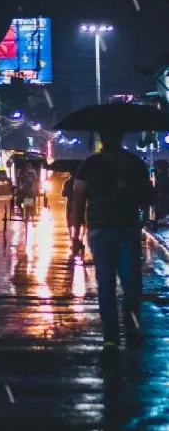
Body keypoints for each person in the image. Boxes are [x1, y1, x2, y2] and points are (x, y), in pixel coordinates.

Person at [71, 128, 154, 353]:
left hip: (101, 229)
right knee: (130, 282)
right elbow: (148, 196)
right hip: (125, 228)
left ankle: (111, 337)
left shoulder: (90, 164)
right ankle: (129, 329)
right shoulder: (134, 162)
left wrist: (75, 236)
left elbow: (78, 201)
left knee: (107, 283)